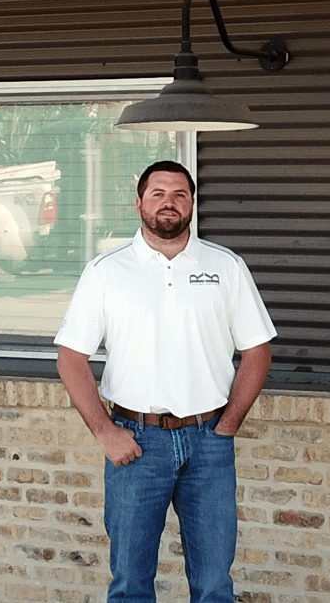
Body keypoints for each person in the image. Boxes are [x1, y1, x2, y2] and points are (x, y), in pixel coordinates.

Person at [54, 160, 276, 603]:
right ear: (139, 203)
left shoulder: (226, 266)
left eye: (179, 194)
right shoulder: (107, 271)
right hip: (136, 444)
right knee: (130, 585)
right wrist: (106, 433)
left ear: (192, 203)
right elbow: (71, 358)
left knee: (214, 586)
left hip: (209, 442)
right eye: (157, 194)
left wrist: (228, 425)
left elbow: (257, 351)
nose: (168, 203)